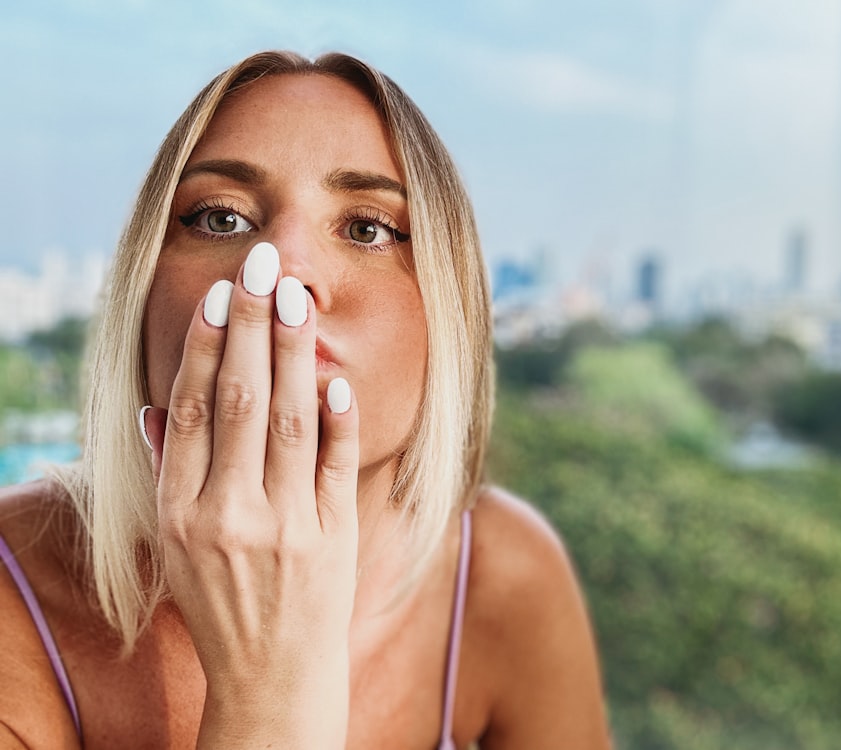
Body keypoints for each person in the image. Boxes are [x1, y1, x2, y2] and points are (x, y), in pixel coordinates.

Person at [0, 50, 610, 748]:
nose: (286, 270)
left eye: (368, 229)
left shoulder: (503, 578)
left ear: (451, 317)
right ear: (140, 297)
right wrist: (268, 693)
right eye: (221, 219)